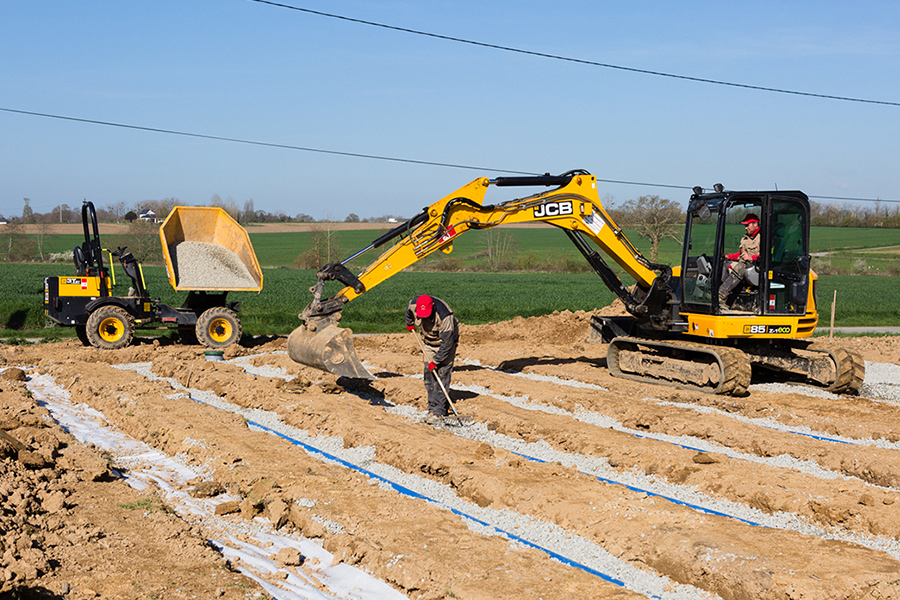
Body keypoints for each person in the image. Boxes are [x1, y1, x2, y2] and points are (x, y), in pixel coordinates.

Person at [405, 294, 459, 424]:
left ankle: (439, 412)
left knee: (442, 375)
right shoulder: (413, 304)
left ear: (432, 308)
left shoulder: (445, 317)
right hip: (428, 343)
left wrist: (435, 361)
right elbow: (408, 312)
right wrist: (409, 323)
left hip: (446, 343)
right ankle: (432, 409)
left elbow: (447, 344)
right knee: (429, 377)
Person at [718, 213, 761, 307]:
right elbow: (740, 254)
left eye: (747, 225)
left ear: (755, 224)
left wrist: (752, 258)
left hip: (757, 267)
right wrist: (728, 256)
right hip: (745, 265)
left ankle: (720, 295)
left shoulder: (763, 238)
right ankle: (725, 299)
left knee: (740, 267)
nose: (745, 228)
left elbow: (768, 256)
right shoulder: (745, 238)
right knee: (725, 264)